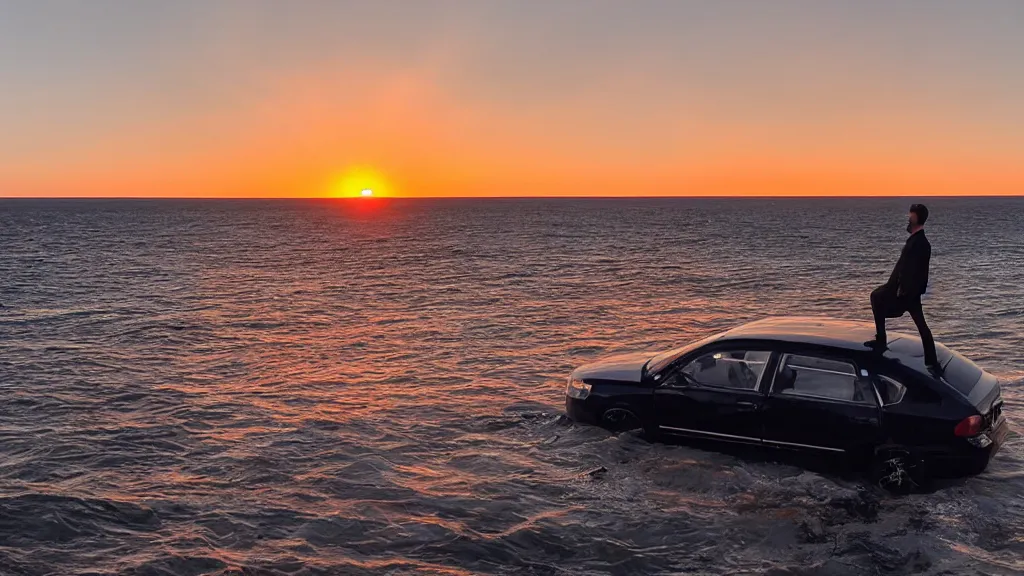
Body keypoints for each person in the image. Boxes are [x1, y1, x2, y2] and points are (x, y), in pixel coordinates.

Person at [865, 203, 941, 373]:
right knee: (921, 325)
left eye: (910, 215)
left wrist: (903, 290)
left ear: (915, 218)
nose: (908, 218)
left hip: (905, 291)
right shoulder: (916, 241)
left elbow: (916, 271)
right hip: (905, 291)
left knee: (876, 297)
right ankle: (932, 361)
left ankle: (882, 340)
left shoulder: (920, 243)